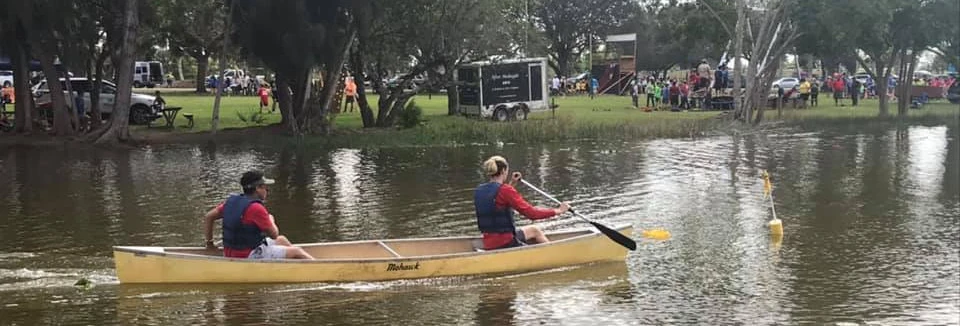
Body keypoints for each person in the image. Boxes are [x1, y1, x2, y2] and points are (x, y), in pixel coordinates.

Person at [202, 171, 314, 259]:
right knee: (297, 251)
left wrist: (209, 243)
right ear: (257, 189)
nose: (267, 190)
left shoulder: (230, 202)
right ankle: (319, 268)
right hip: (248, 255)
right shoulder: (256, 208)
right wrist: (271, 220)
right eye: (265, 187)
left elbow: (209, 217)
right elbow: (274, 234)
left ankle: (291, 265)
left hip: (230, 252)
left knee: (282, 240)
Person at [474, 156, 570, 250]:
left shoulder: (479, 190)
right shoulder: (505, 190)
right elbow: (532, 214)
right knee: (534, 249)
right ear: (503, 171)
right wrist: (559, 210)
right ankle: (554, 254)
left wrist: (512, 183)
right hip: (506, 243)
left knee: (534, 230)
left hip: (488, 242)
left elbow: (498, 199)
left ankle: (553, 251)